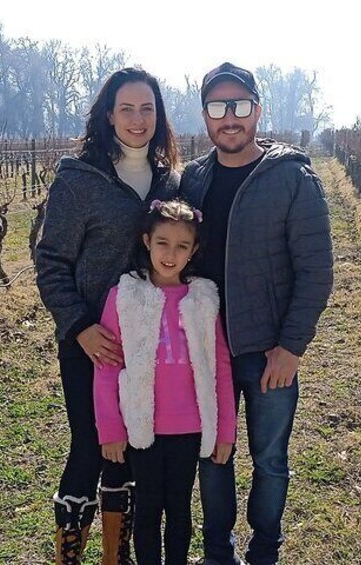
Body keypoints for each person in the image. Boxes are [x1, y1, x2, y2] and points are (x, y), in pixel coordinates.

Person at [180, 62, 334, 565]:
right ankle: (217, 551)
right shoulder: (193, 182)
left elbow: (315, 270)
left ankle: (265, 548)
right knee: (212, 456)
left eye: (240, 106)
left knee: (270, 460)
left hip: (269, 351)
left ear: (257, 112)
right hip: (208, 349)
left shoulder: (291, 178)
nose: (230, 118)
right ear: (205, 116)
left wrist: (291, 347)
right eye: (219, 107)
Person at [35, 67, 180, 565]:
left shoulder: (172, 182)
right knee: (90, 447)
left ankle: (115, 556)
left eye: (147, 109)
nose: (138, 119)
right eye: (127, 108)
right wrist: (78, 326)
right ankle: (69, 555)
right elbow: (51, 262)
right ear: (108, 115)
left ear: (158, 117)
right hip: (93, 345)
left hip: (152, 347)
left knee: (134, 449)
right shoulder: (79, 180)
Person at [94, 199, 237, 565]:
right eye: (162, 243)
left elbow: (219, 367)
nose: (171, 254)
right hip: (144, 425)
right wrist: (110, 427)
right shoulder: (125, 296)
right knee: (146, 510)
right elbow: (107, 367)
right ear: (146, 240)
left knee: (179, 509)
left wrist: (225, 431)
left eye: (182, 246)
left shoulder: (204, 298)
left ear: (194, 250)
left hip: (188, 427)